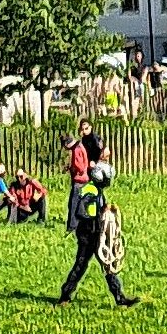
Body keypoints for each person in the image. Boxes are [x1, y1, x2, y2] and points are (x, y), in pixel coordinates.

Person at [59, 163, 137, 308]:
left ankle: (120, 299)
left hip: (96, 233)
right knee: (81, 265)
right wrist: (97, 216)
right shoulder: (90, 191)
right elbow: (81, 211)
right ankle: (65, 296)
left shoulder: (96, 189)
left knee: (108, 264)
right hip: (88, 234)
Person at [61, 127, 93, 236]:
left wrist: (72, 168)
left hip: (79, 181)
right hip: (84, 180)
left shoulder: (76, 150)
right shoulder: (80, 146)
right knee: (80, 205)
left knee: (74, 205)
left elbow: (80, 167)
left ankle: (72, 227)